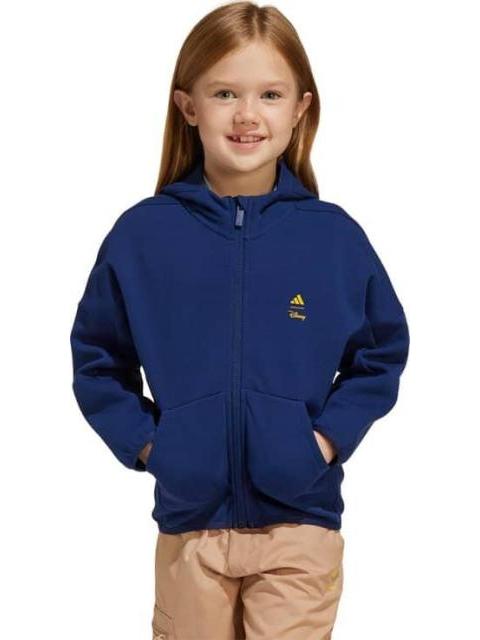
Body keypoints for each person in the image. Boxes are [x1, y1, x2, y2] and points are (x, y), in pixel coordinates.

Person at [69, 2, 410, 638]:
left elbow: (381, 353)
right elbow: (98, 361)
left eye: (270, 95)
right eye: (225, 93)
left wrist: (323, 442)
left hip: (300, 527)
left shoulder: (333, 239)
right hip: (190, 528)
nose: (248, 115)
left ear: (301, 108)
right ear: (188, 106)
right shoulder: (142, 237)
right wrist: (154, 447)